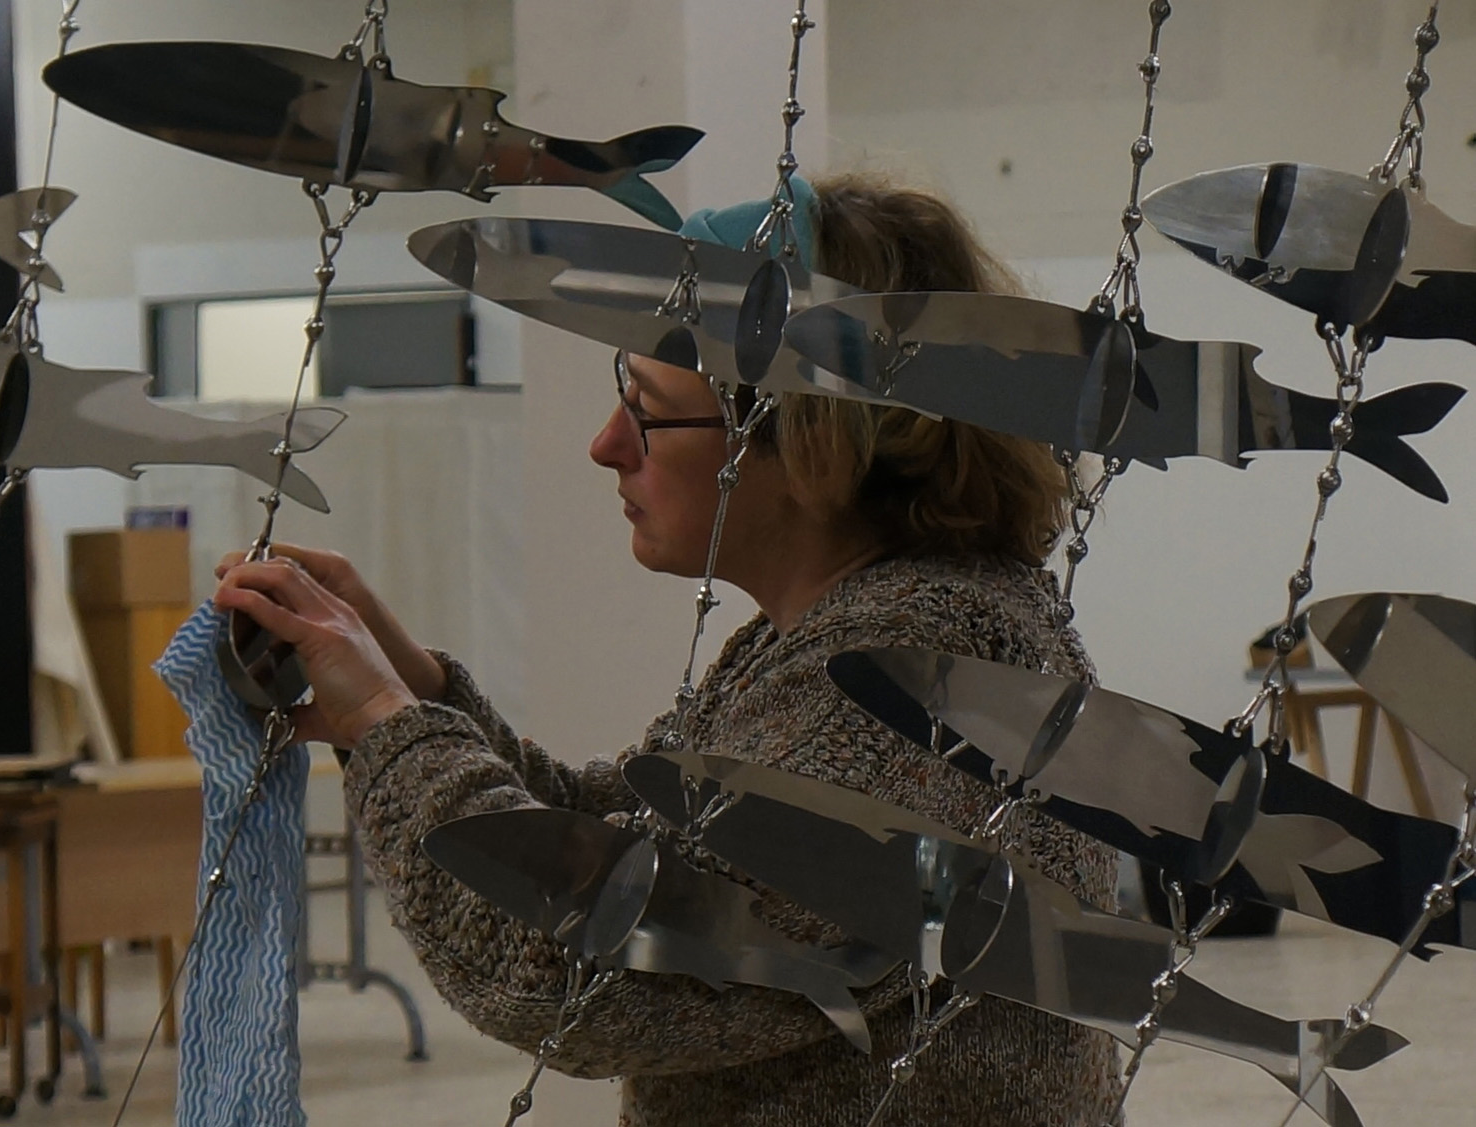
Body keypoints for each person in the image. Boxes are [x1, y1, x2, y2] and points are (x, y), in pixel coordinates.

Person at [214, 170, 1121, 1126]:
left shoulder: (926, 683)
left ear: (814, 438)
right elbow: (637, 845)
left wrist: (385, 725)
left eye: (647, 409)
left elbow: (593, 971)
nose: (607, 444)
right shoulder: (860, 637)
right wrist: (419, 695)